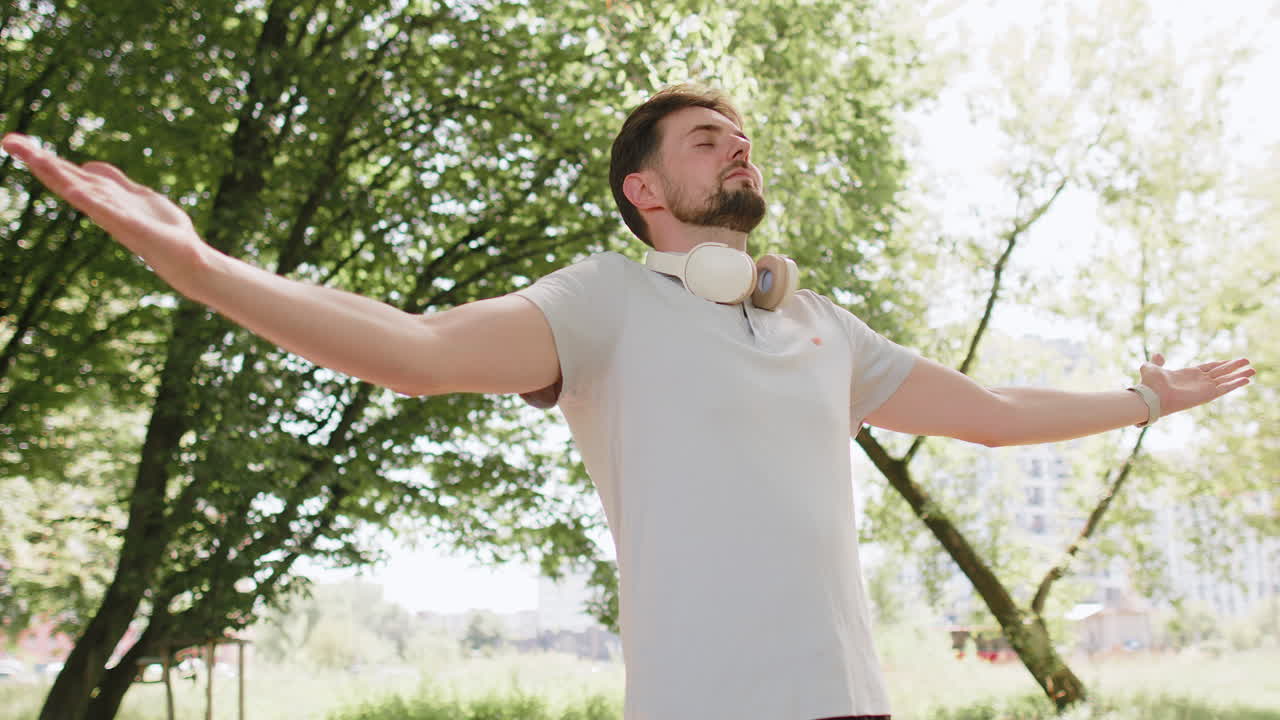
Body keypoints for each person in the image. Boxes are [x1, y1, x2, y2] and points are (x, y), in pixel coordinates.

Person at [0, 84, 1253, 720]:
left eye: (739, 134)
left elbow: (985, 408)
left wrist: (1140, 398)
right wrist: (198, 263)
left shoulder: (812, 321)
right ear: (643, 192)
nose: (735, 146)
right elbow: (412, 349)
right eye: (706, 138)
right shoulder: (600, 303)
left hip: (854, 704)